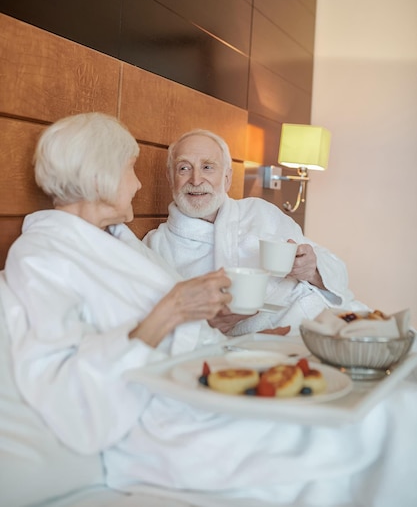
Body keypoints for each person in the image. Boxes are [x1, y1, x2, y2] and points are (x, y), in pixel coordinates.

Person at [3, 112, 416, 507]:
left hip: (214, 374)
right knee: (390, 418)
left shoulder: (116, 239)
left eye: (207, 167)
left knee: (397, 403)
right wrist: (175, 311)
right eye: (130, 169)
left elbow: (188, 325)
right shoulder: (43, 257)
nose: (137, 184)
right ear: (99, 177)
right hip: (170, 416)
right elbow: (66, 392)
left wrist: (235, 338)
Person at [144, 129, 365, 335]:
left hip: (337, 318)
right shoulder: (156, 247)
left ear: (227, 178)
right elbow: (157, 327)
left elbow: (338, 272)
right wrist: (211, 326)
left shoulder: (260, 211)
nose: (196, 179)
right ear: (170, 177)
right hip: (274, 343)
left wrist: (312, 270)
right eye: (184, 168)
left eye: (208, 167)